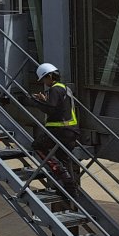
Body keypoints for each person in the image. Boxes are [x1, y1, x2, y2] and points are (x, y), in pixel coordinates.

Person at [29, 62, 81, 193]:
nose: (44, 82)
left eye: (45, 78)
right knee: (64, 157)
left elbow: (51, 110)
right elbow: (59, 107)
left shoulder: (54, 89)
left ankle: (59, 171)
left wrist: (36, 102)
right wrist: (44, 100)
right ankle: (70, 189)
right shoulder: (63, 88)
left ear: (50, 76)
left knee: (37, 145)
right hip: (71, 130)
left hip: (59, 130)